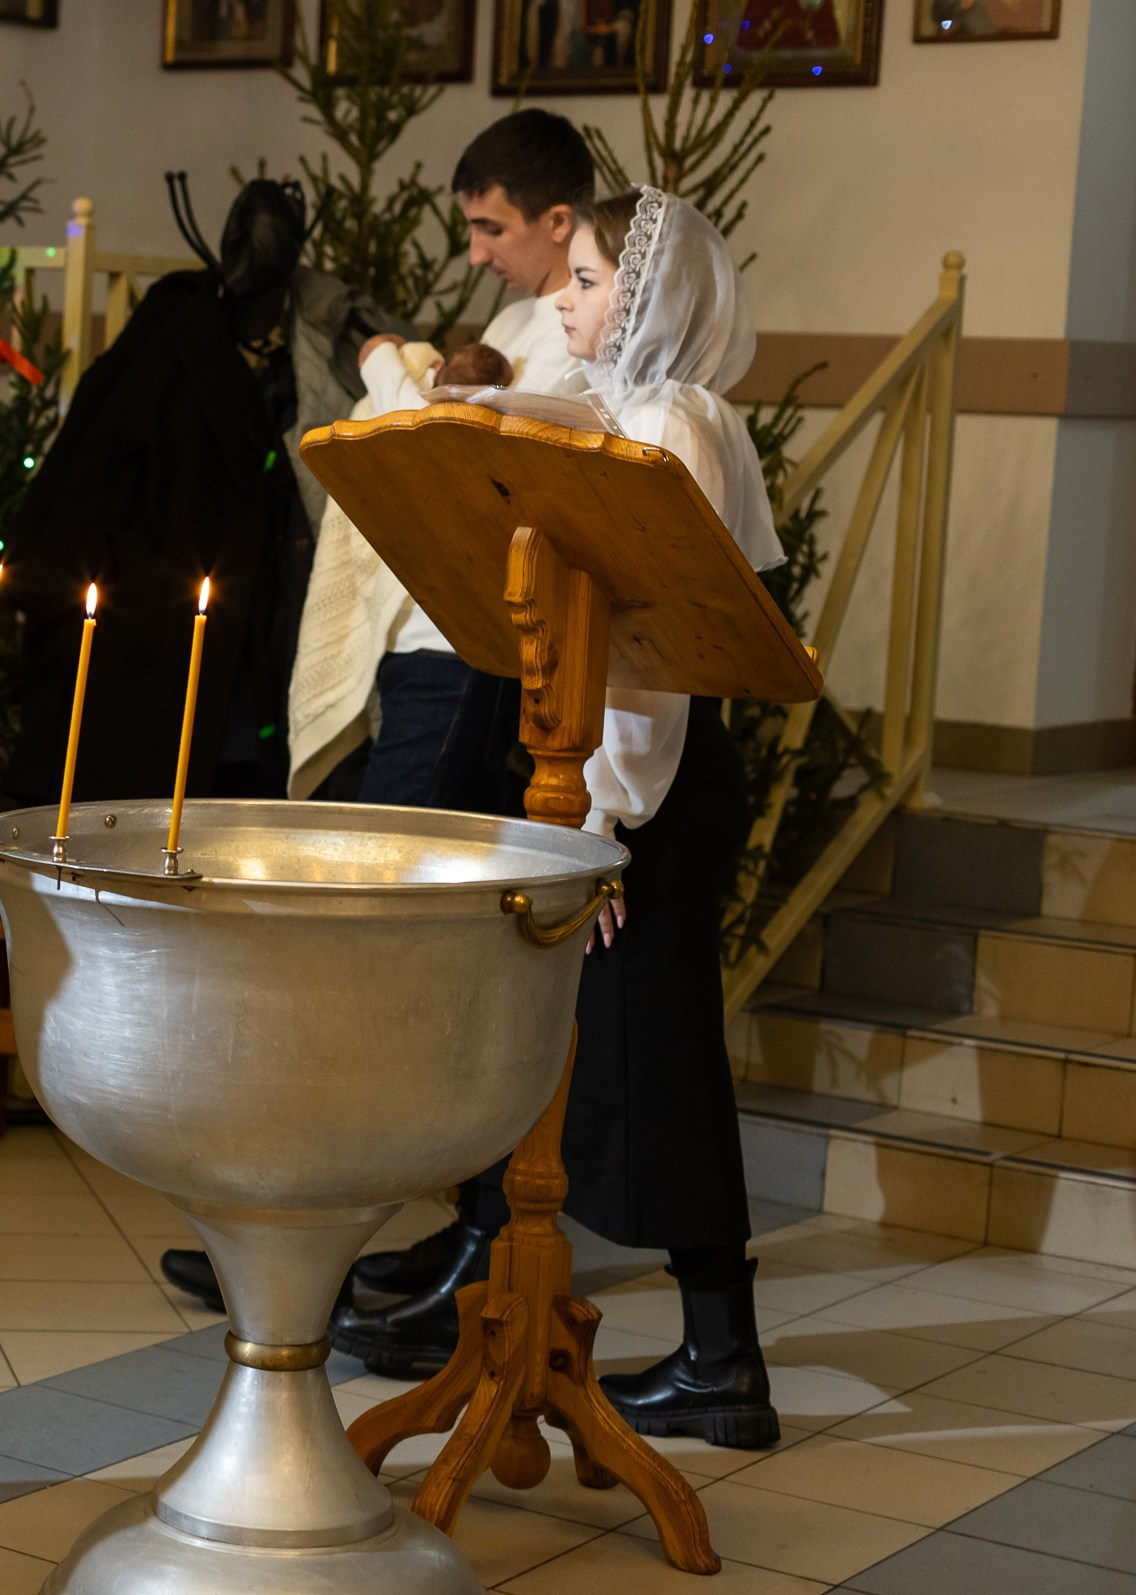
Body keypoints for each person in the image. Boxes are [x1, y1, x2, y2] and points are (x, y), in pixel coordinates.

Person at [334, 186, 782, 1452]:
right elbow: (538, 422)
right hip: (617, 789)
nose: (558, 302)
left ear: (646, 298)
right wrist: (455, 409)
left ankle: (721, 1363)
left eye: (583, 281)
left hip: (653, 788)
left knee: (661, 1064)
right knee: (619, 1065)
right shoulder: (624, 407)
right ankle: (621, 1326)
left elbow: (655, 657)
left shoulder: (677, 419)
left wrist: (607, 831)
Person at [167, 112, 594, 1316]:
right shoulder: (522, 319)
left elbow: (527, 466)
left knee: (406, 956)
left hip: (469, 654)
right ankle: (299, 1230)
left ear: (560, 222)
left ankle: (436, 1237)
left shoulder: (579, 329)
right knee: (359, 945)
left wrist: (417, 383)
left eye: (491, 228)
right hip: (418, 645)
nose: (475, 254)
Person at [3, 175, 408, 816]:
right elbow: (87, 480)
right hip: (155, 612)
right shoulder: (169, 340)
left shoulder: (321, 335)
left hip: (234, 613)